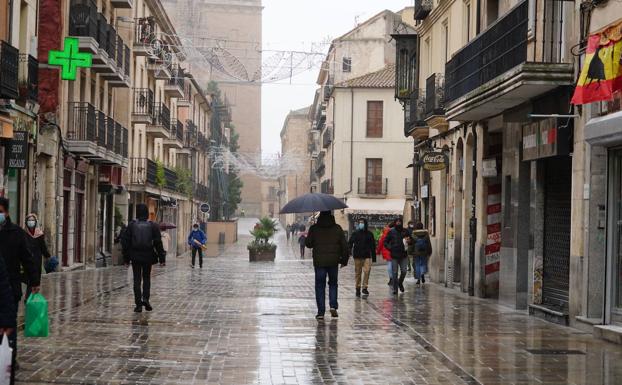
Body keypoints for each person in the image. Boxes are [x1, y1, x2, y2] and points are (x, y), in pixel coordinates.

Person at [0, 198, 39, 384]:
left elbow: (27, 258)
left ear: (6, 212)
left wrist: (35, 281)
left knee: (9, 325)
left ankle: (10, 356)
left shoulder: (16, 233)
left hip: (11, 288)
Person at [121, 204, 165, 313]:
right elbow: (158, 243)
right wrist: (162, 258)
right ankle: (145, 299)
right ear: (146, 213)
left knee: (136, 279)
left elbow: (125, 243)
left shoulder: (131, 225)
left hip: (135, 256)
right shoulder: (153, 226)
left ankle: (138, 304)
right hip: (148, 255)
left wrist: (126, 259)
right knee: (146, 278)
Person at [305, 211, 348, 320]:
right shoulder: (337, 228)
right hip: (333, 261)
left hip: (319, 262)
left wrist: (310, 232)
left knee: (320, 286)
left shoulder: (314, 228)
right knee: (333, 283)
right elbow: (344, 245)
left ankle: (321, 312)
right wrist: (344, 260)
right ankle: (333, 305)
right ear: (331, 216)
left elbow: (308, 244)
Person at [23, 213, 51, 302]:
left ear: (35, 222)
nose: (31, 222)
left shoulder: (39, 234)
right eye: (29, 220)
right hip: (27, 259)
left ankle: (31, 297)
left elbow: (43, 247)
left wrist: (47, 256)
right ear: (26, 222)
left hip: (37, 260)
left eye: (32, 220)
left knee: (35, 279)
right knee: (28, 279)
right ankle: (29, 296)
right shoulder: (23, 234)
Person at [348, 219, 376, 298]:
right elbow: (350, 243)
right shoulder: (355, 233)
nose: (361, 224)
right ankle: (357, 287)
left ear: (365, 224)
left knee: (367, 271)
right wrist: (349, 252)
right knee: (358, 273)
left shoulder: (369, 234)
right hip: (357, 255)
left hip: (367, 255)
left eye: (362, 223)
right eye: (359, 223)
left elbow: (373, 246)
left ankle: (364, 287)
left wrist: (373, 258)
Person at [384, 217, 409, 295]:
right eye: (397, 221)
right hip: (394, 255)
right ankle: (395, 288)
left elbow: (411, 240)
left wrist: (409, 241)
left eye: (399, 221)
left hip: (403, 255)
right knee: (394, 272)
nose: (398, 223)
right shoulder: (391, 231)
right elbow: (385, 242)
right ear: (395, 222)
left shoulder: (405, 231)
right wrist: (390, 248)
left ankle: (400, 282)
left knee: (404, 271)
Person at [377, 221, 395, 286]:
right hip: (394, 251)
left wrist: (378, 251)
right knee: (394, 265)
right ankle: (393, 278)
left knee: (389, 265)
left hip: (387, 251)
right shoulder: (396, 233)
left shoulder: (384, 234)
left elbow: (380, 243)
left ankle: (391, 278)